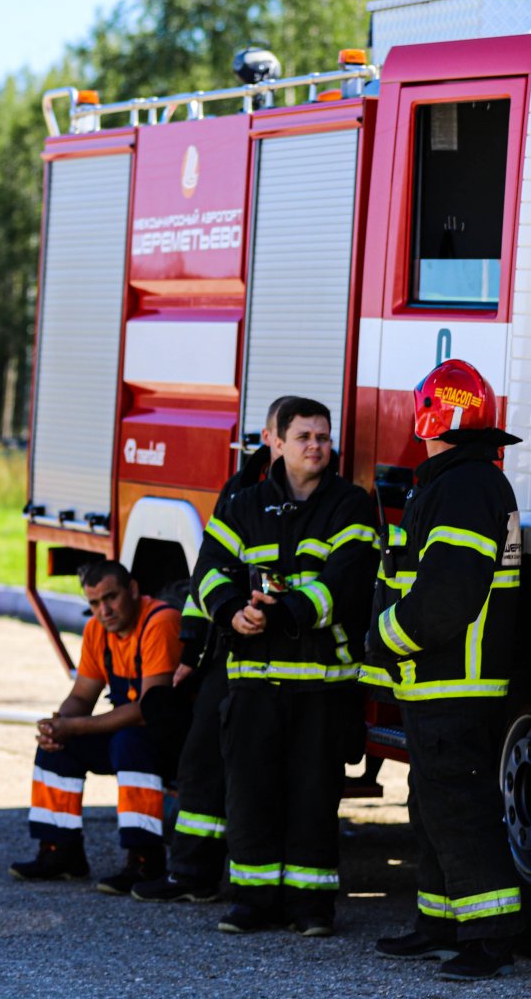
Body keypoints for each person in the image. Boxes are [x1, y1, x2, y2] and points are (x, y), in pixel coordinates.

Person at [193, 396, 379, 936]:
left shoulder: (350, 504)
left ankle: (311, 907)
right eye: (304, 437)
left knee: (313, 797)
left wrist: (279, 613)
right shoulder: (244, 503)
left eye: (323, 437)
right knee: (250, 794)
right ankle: (252, 903)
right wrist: (230, 611)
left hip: (322, 686)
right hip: (253, 682)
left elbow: (348, 582)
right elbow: (210, 569)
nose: (317, 447)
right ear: (276, 441)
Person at [365, 359, 524, 982]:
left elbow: (446, 597)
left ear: (430, 417)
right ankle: (439, 923)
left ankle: (489, 940)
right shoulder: (464, 481)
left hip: (452, 679)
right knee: (432, 804)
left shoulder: (461, 488)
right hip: (439, 679)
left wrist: (383, 638)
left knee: (459, 809)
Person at [131, 394, 304, 905]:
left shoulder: (326, 497)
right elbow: (205, 577)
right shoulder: (242, 492)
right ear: (270, 438)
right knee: (202, 756)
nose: (297, 445)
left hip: (293, 656)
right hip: (229, 652)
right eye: (284, 434)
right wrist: (190, 654)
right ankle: (191, 873)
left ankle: (245, 874)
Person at [12, 560, 180, 894]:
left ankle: (145, 859)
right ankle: (59, 852)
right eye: (94, 603)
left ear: (132, 590)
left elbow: (148, 709)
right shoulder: (97, 631)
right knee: (59, 747)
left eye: (111, 598)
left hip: (172, 738)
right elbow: (81, 695)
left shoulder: (160, 622)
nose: (104, 610)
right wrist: (58, 726)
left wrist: (74, 727)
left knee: (128, 744)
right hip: (130, 730)